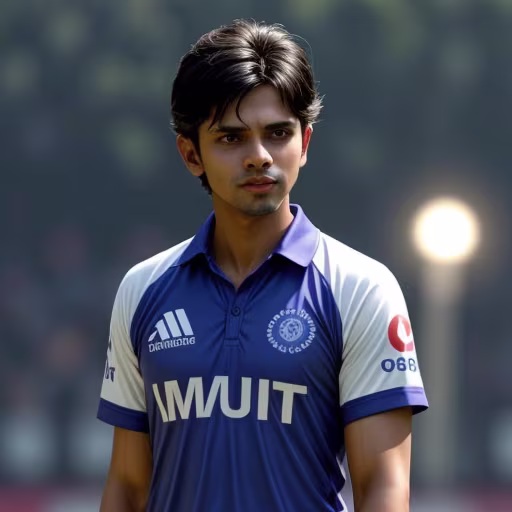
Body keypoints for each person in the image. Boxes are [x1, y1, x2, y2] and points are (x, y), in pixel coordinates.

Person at [97, 19, 428, 512]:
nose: (258, 156)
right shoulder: (143, 288)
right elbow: (127, 486)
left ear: (305, 143)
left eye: (278, 133)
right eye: (231, 138)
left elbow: (383, 485)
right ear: (191, 153)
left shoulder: (362, 287)